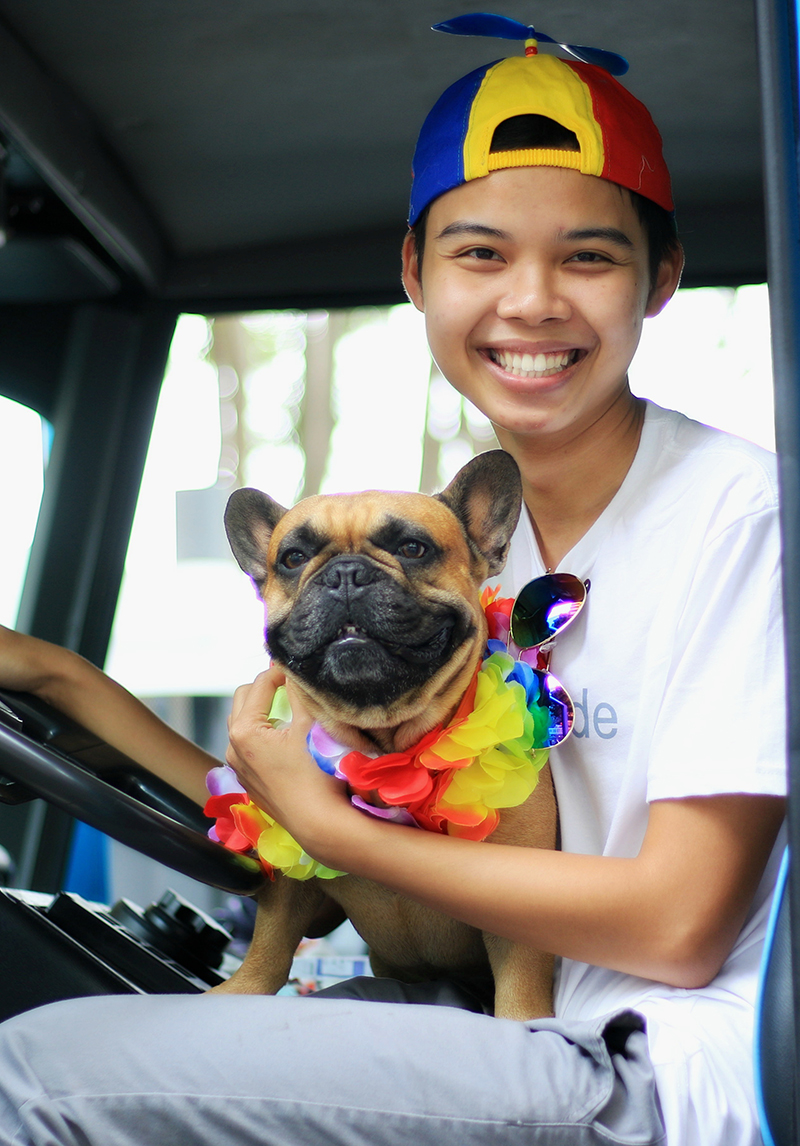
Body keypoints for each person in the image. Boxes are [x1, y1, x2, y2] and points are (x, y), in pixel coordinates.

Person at [0, 17, 786, 1146]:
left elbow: (677, 927)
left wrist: (341, 832)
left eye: (587, 255)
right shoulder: (447, 557)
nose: (529, 301)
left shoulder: (739, 517)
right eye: (478, 253)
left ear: (660, 277)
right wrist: (58, 679)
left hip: (644, 1057)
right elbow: (284, 809)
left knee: (31, 1069)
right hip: (475, 1012)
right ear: (414, 272)